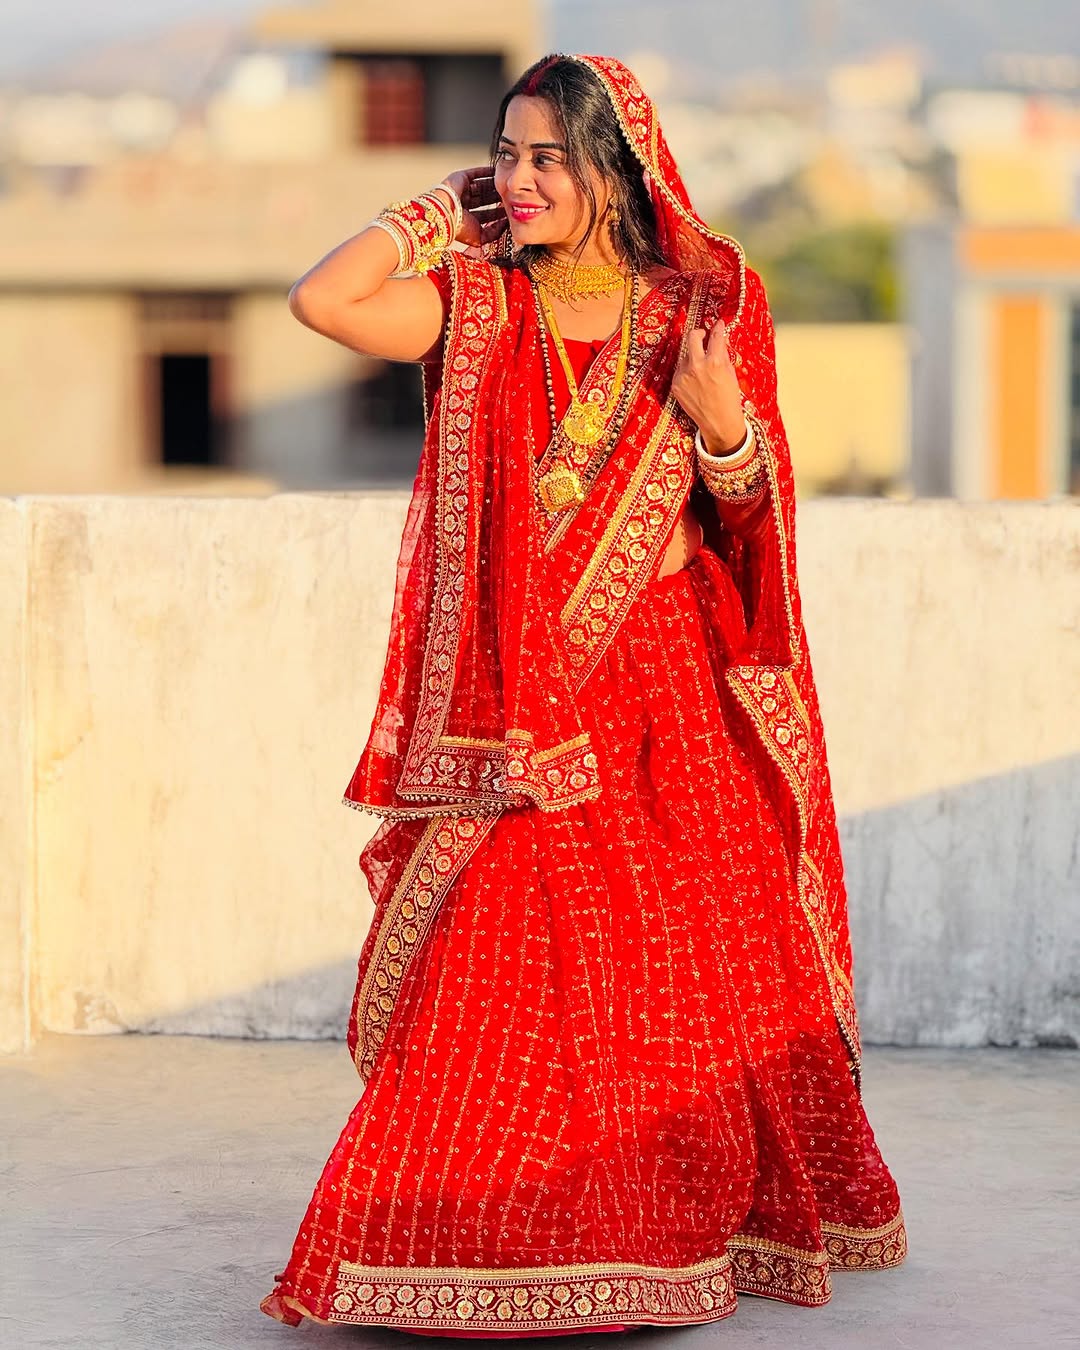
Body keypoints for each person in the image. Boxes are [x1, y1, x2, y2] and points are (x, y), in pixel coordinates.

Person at [259, 52, 906, 1336]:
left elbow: (751, 522)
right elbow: (325, 303)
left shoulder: (704, 302)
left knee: (676, 977)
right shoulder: (480, 302)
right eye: (507, 153)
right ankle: (442, 1240)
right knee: (488, 980)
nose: (523, 177)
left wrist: (722, 424)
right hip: (518, 702)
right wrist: (440, 210)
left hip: (663, 682)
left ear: (617, 161)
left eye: (550, 156)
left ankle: (651, 1237)